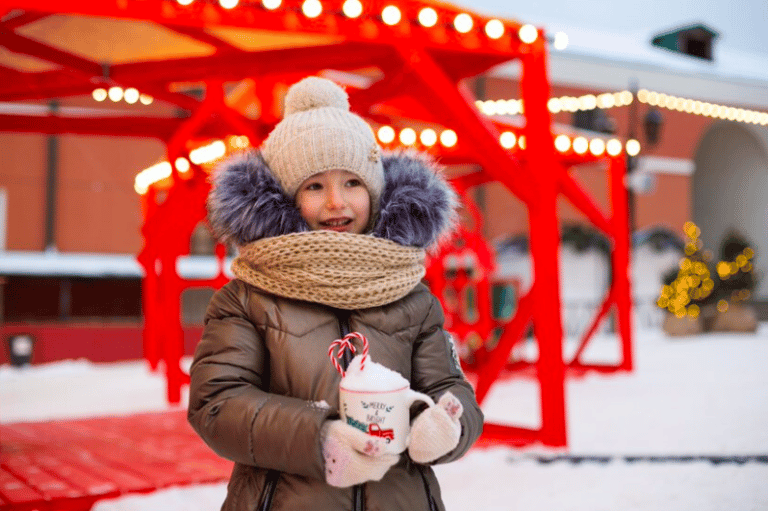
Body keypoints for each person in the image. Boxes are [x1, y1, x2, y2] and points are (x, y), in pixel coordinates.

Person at [188, 76, 483, 511]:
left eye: (352, 183)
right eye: (314, 186)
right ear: (287, 199)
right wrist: (319, 437)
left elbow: (451, 388)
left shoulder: (411, 298)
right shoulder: (248, 298)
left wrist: (440, 425)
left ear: (375, 191)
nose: (336, 203)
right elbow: (218, 402)